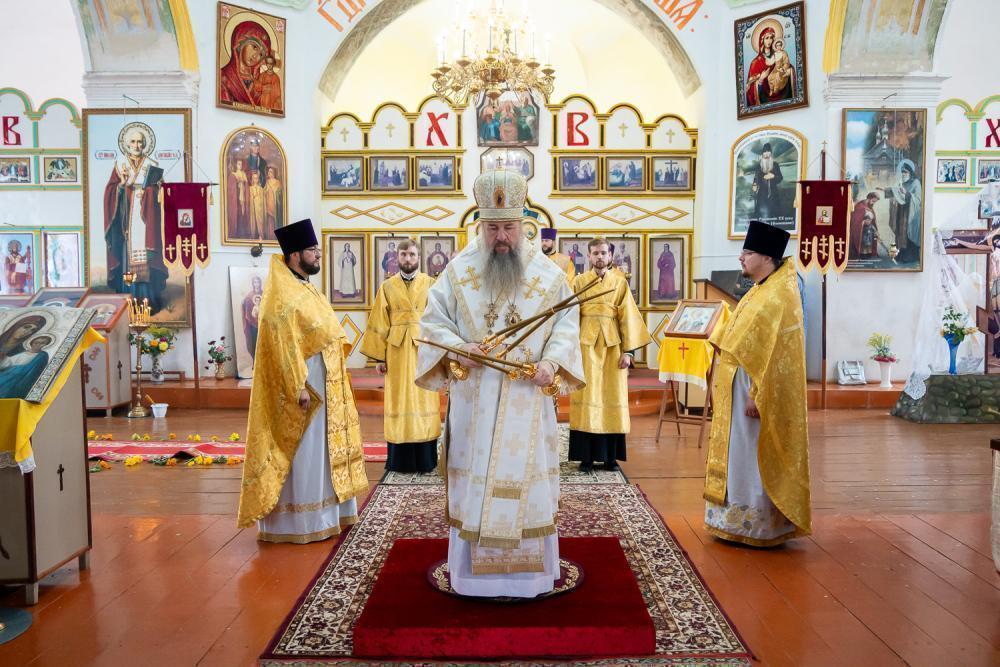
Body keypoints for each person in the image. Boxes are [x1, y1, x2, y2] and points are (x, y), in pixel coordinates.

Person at [416, 169, 583, 598]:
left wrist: (551, 363)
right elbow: (432, 325)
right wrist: (461, 348)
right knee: (477, 482)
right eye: (493, 229)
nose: (502, 237)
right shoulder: (457, 272)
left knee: (528, 486)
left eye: (509, 227)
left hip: (528, 401)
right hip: (476, 404)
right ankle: (474, 579)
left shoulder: (549, 275)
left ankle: (530, 578)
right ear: (481, 226)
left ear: (524, 225)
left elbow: (567, 325)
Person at [237, 219, 367, 543]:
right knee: (305, 451)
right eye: (312, 250)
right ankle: (301, 522)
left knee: (323, 450)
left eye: (317, 249)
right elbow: (282, 343)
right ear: (295, 255)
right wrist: (298, 385)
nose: (318, 255)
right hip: (307, 390)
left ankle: (329, 513)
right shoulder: (280, 295)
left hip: (327, 386)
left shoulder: (306, 287)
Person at [704, 220, 810, 547]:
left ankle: (756, 525)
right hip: (737, 387)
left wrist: (757, 394)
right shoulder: (760, 289)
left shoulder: (780, 295)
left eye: (747, 252)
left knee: (750, 452)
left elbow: (776, 354)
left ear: (766, 257)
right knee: (737, 451)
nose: (741, 257)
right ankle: (732, 519)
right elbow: (743, 337)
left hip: (753, 391)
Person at [568, 238, 651, 472]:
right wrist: (569, 350)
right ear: (589, 256)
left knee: (611, 396)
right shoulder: (579, 282)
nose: (600, 257)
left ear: (610, 256)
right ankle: (585, 457)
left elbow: (628, 317)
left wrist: (629, 352)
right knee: (587, 395)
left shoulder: (619, 282)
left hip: (613, 347)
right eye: (595, 253)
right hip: (585, 347)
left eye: (603, 253)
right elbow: (569, 317)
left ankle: (610, 458)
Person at [360, 239, 441, 473]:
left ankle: (426, 460)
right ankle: (399, 460)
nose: (408, 259)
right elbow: (379, 321)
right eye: (404, 254)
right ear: (397, 257)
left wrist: (439, 354)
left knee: (424, 394)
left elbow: (439, 319)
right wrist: (379, 358)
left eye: (412, 254)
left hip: (423, 349)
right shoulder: (387, 286)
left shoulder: (431, 284)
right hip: (395, 351)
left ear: (419, 257)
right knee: (398, 397)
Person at [104, 124, 167, 312]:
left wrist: (151, 192)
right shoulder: (120, 164)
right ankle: (128, 301)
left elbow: (161, 194)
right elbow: (110, 191)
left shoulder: (152, 164)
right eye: (133, 141)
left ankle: (148, 300)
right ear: (127, 144)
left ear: (144, 144)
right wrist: (121, 186)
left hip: (146, 223)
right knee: (127, 260)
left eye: (140, 141)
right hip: (127, 222)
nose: (137, 145)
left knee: (146, 258)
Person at [218, 20, 283, 113]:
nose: (255, 56)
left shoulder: (258, 81)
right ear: (240, 42)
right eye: (254, 47)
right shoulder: (224, 77)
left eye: (261, 54)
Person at [882, 161, 922, 264]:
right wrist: (885, 190)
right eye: (902, 172)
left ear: (910, 173)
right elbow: (896, 191)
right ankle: (902, 253)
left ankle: (911, 255)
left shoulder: (916, 183)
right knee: (901, 233)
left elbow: (918, 200)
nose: (903, 174)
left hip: (911, 214)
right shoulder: (902, 183)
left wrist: (907, 193)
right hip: (902, 213)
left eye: (905, 172)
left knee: (909, 233)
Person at [745, 26, 793, 107]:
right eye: (767, 38)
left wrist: (789, 72)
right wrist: (761, 79)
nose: (769, 41)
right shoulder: (756, 62)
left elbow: (787, 65)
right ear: (762, 40)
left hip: (782, 94)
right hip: (764, 99)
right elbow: (750, 88)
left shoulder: (779, 54)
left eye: (771, 38)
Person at [751, 142, 784, 222]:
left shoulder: (775, 165)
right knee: (762, 216)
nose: (766, 154)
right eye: (764, 152)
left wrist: (773, 176)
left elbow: (780, 178)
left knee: (774, 215)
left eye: (768, 151)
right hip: (762, 195)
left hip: (774, 194)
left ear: (771, 153)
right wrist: (754, 185)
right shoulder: (759, 166)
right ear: (762, 154)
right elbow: (756, 178)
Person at [850, 192, 881, 259]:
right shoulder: (860, 206)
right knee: (864, 242)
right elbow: (856, 221)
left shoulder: (869, 206)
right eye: (873, 201)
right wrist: (863, 222)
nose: (873, 203)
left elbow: (872, 219)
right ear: (869, 198)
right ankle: (862, 254)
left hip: (869, 230)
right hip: (862, 230)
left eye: (874, 202)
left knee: (869, 242)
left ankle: (868, 253)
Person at [241, 275, 263, 361]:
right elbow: (246, 307)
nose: (256, 284)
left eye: (258, 282)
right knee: (254, 343)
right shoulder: (249, 295)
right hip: (253, 324)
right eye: (255, 282)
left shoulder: (264, 294)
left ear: (260, 283)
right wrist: (243, 303)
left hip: (262, 324)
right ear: (253, 284)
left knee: (263, 342)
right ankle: (255, 361)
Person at [227, 158, 250, 239]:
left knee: (243, 213)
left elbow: (246, 186)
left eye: (241, 164)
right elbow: (231, 189)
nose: (240, 166)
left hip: (243, 196)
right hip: (237, 197)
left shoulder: (244, 174)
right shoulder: (233, 174)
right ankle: (236, 232)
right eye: (238, 164)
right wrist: (238, 183)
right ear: (236, 165)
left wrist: (243, 183)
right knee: (238, 213)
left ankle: (243, 232)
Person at [264, 166, 283, 238]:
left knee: (275, 219)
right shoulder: (267, 182)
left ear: (274, 173)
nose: (269, 173)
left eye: (271, 172)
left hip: (275, 204)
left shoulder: (278, 182)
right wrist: (266, 191)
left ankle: (276, 236)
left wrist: (274, 191)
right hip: (268, 203)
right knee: (269, 220)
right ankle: (270, 236)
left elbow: (280, 193)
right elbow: (264, 192)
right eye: (268, 172)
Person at [248, 172, 266, 241]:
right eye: (254, 178)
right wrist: (253, 198)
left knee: (260, 221)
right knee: (253, 220)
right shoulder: (250, 188)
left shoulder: (260, 188)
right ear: (252, 179)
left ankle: (261, 235)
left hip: (259, 207)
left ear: (258, 179)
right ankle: (253, 235)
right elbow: (250, 197)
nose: (255, 179)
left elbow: (262, 199)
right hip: (253, 206)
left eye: (256, 178)